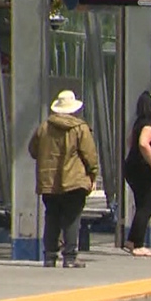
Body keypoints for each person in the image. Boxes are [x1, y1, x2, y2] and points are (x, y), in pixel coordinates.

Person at [28, 90, 99, 268]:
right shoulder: (80, 128)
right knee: (72, 217)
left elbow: (33, 150)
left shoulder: (44, 127)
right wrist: (93, 174)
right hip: (74, 181)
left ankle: (50, 256)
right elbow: (89, 155)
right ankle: (70, 257)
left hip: (49, 182)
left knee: (51, 216)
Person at [123, 91, 151, 257]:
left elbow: (131, 141)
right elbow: (143, 144)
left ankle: (132, 240)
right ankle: (138, 244)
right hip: (145, 171)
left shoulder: (139, 123)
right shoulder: (149, 125)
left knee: (142, 204)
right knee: (148, 205)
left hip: (134, 169)